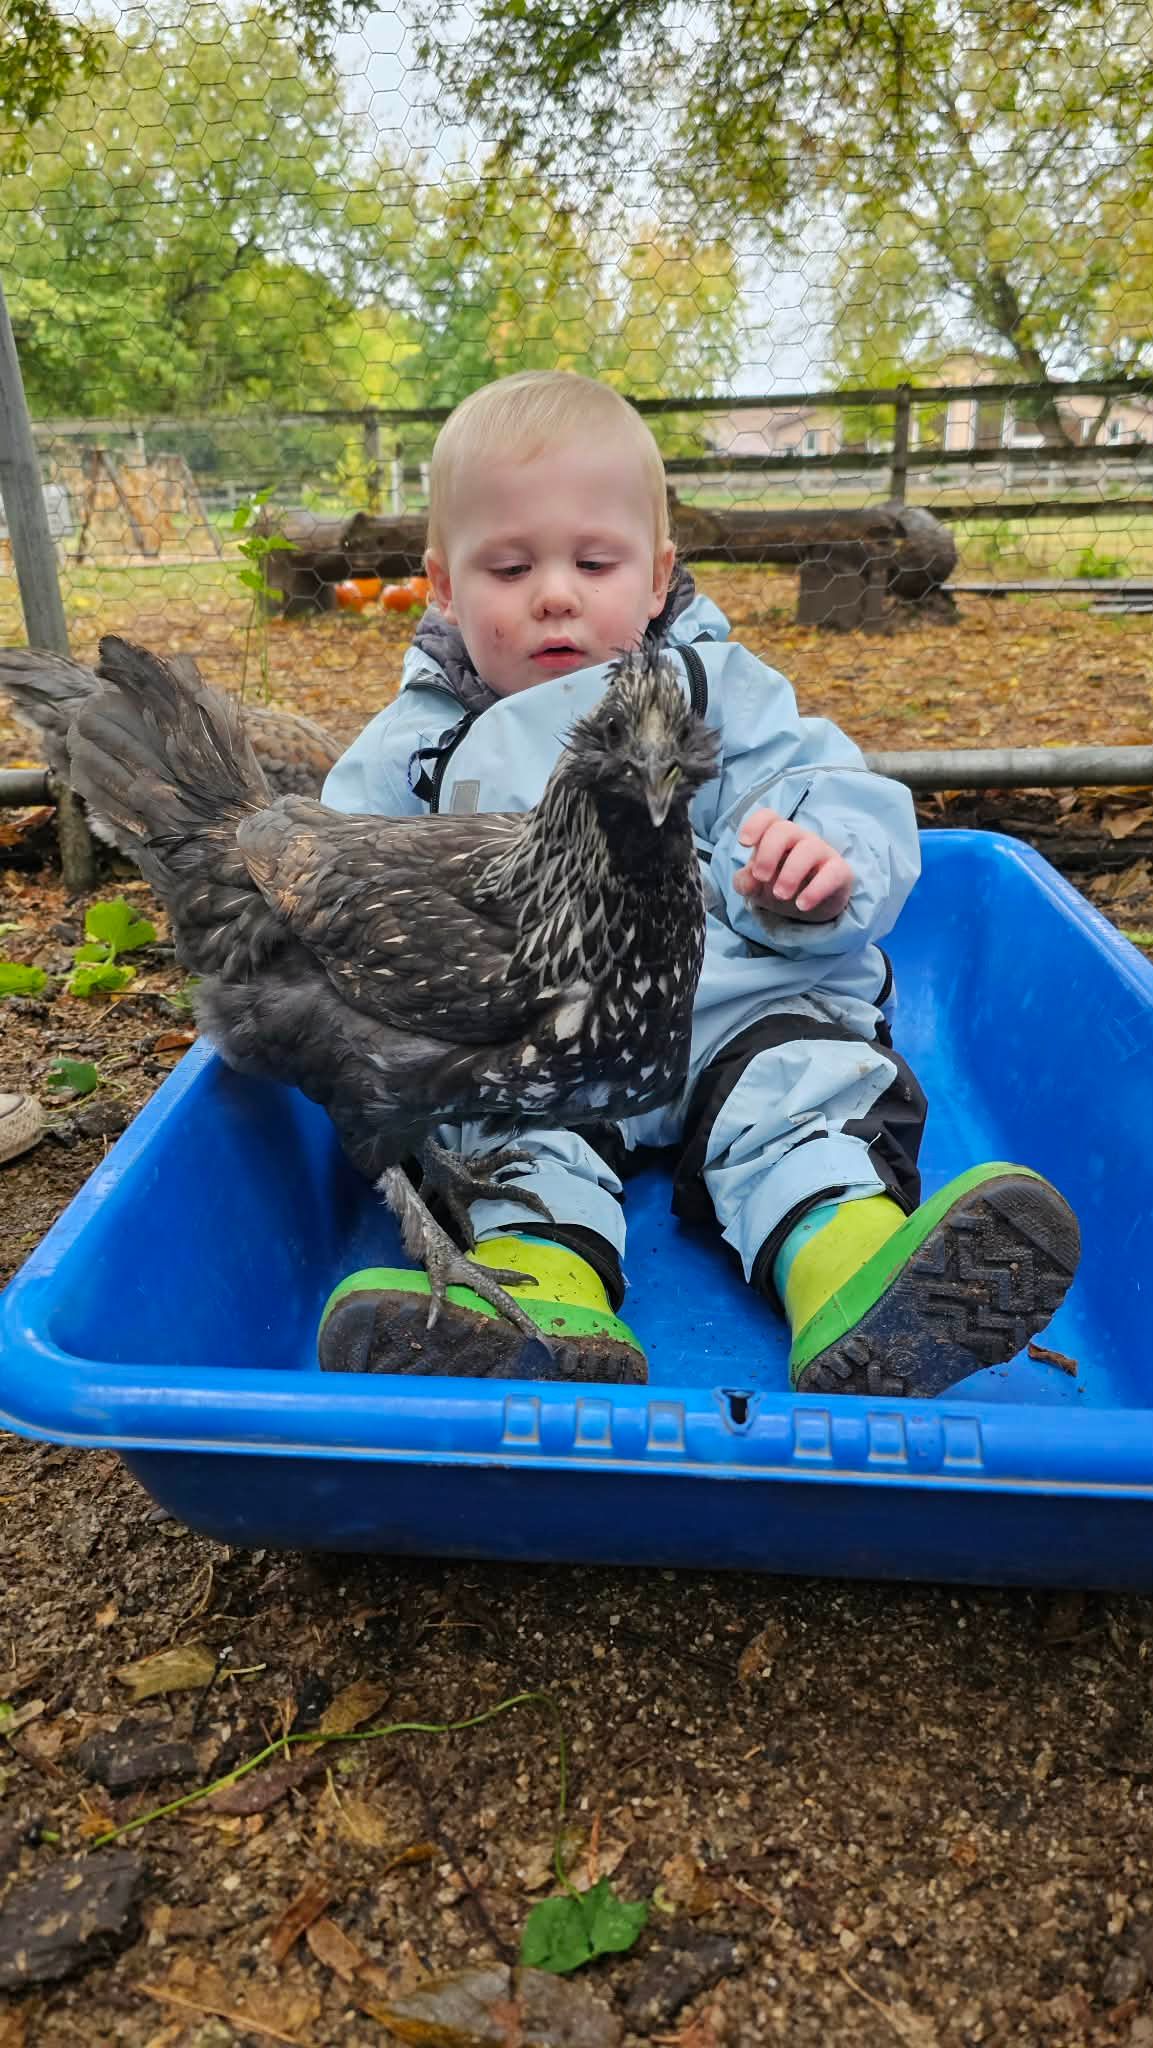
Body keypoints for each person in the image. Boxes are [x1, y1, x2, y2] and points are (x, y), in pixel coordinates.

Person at [316, 370, 1079, 1397]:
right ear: (443, 586)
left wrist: (818, 867)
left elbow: (826, 785)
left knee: (799, 1093)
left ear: (657, 571)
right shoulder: (411, 749)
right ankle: (539, 1293)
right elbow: (334, 878)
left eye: (594, 561)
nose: (555, 592)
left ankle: (851, 1267)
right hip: (544, 1038)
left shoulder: (713, 688)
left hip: (730, 1007)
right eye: (508, 566)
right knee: (499, 1128)